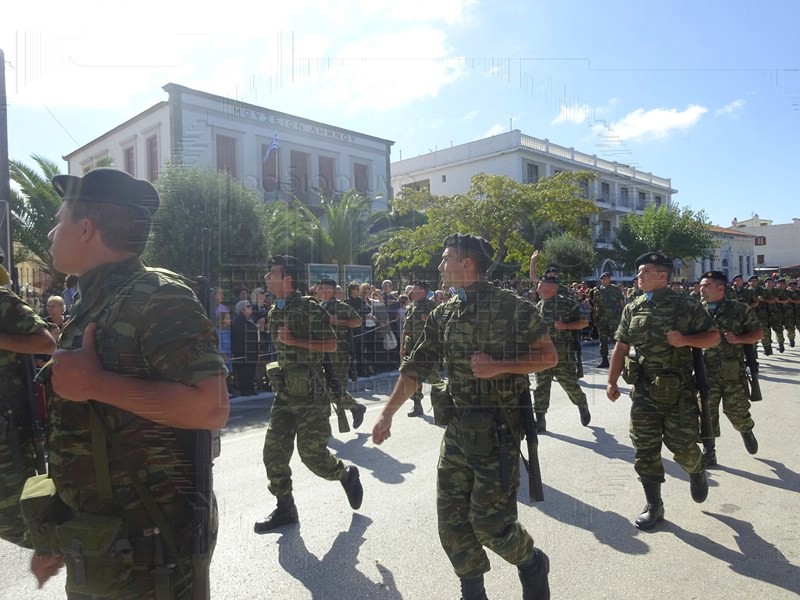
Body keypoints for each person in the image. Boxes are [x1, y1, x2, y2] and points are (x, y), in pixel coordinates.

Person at [33, 168, 229, 597]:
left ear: (86, 228)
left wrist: (96, 384)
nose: (51, 232)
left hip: (151, 548)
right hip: (102, 540)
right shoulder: (94, 303)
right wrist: (61, 520)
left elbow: (211, 407)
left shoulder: (157, 294)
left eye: (59, 220)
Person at [373, 233, 558, 600]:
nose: (440, 266)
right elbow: (416, 366)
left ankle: (532, 562)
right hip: (458, 428)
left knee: (491, 524)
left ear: (467, 264)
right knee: (451, 521)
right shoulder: (444, 312)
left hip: (498, 431)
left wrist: (499, 366)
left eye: (446, 259)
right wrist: (387, 414)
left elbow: (548, 356)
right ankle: (472, 592)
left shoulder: (512, 307)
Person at [606, 252, 719, 531]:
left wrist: (684, 340)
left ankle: (696, 469)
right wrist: (611, 381)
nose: (639, 276)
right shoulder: (633, 307)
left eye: (645, 272)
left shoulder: (687, 305)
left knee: (683, 447)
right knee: (644, 450)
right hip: (644, 391)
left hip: (678, 391)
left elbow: (713, 337)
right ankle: (654, 505)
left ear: (662, 276)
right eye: (639, 272)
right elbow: (621, 346)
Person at [255, 256, 363, 533]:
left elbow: (330, 345)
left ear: (288, 279)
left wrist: (295, 341)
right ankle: (285, 508)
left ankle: (345, 475)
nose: (267, 277)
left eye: (272, 273)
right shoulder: (275, 310)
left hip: (311, 394)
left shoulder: (309, 308)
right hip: (285, 392)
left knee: (313, 456)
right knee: (273, 453)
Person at [0, 286, 55, 548]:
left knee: (15, 521)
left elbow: (46, 343)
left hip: (7, 429)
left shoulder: (3, 301)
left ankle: (53, 555)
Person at [697, 271, 762, 466]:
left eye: (707, 286)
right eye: (701, 285)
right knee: (705, 412)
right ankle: (709, 450)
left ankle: (746, 430)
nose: (701, 289)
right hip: (704, 370)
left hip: (732, 370)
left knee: (737, 411)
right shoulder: (695, 310)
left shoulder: (739, 309)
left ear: (720, 288)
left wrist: (739, 339)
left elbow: (758, 333)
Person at [532, 275, 591, 432]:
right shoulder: (538, 306)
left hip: (562, 356)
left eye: (540, 286)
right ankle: (540, 419)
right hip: (542, 356)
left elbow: (584, 322)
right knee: (541, 388)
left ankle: (582, 404)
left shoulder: (567, 304)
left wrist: (565, 326)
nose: (537, 289)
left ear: (551, 289)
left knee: (570, 385)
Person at [316, 278, 366, 428]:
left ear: (330, 291)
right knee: (323, 389)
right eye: (319, 288)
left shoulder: (342, 307)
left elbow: (358, 321)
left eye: (322, 288)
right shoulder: (318, 307)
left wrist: (340, 322)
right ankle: (327, 424)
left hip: (339, 354)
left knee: (336, 389)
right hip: (321, 353)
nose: (319, 291)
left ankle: (356, 407)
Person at [400, 280, 441, 417]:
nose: (412, 291)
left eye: (415, 289)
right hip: (412, 347)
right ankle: (417, 405)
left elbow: (442, 325)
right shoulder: (412, 306)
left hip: (428, 347)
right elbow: (406, 329)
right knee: (412, 376)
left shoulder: (432, 306)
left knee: (433, 377)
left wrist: (428, 318)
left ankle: (442, 404)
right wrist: (402, 346)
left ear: (422, 291)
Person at [592, 271, 625, 368]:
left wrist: (624, 316)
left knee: (616, 339)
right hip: (602, 319)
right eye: (602, 279)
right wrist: (594, 318)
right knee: (602, 340)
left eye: (606, 278)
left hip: (614, 319)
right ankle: (604, 360)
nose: (604, 280)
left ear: (609, 279)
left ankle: (620, 360)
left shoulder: (615, 289)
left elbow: (621, 302)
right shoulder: (597, 291)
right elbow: (596, 305)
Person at [231, 300, 260, 396]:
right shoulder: (239, 321)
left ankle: (250, 388)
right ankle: (245, 390)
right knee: (244, 371)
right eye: (248, 306)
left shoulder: (249, 320)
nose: (250, 308)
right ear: (242, 309)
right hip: (243, 350)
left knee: (251, 370)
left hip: (251, 349)